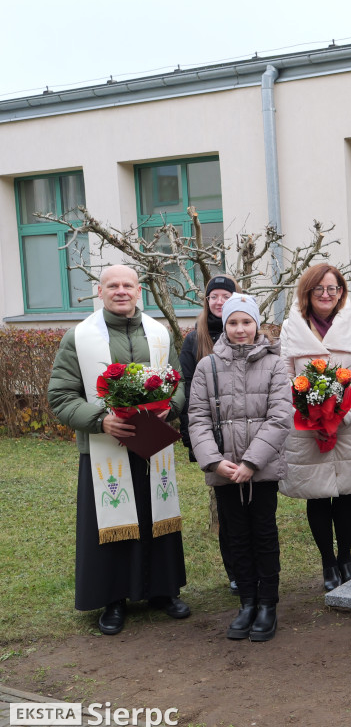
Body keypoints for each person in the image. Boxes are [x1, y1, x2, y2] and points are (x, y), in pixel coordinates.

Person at [47, 264, 189, 636]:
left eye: (128, 285)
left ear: (139, 291)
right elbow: (61, 396)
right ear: (100, 291)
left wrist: (169, 407)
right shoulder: (78, 338)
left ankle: (163, 590)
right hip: (103, 449)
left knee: (154, 515)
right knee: (112, 522)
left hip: (152, 443)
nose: (121, 291)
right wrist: (101, 420)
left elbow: (179, 383)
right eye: (113, 285)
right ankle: (114, 600)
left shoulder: (158, 334)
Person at [188, 293, 292, 641]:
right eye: (233, 322)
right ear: (224, 325)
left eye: (246, 321)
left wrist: (251, 462)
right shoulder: (207, 367)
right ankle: (247, 601)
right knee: (236, 537)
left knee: (263, 533)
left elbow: (279, 417)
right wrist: (216, 462)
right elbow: (198, 419)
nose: (240, 328)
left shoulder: (276, 364)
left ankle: (267, 604)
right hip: (225, 471)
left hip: (260, 471)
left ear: (256, 325)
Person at [279, 263, 351, 591]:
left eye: (333, 289)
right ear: (307, 292)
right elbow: (283, 375)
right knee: (317, 494)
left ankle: (347, 557)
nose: (326, 295)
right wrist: (309, 413)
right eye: (319, 289)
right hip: (307, 425)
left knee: (346, 493)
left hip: (348, 422)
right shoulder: (291, 326)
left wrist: (345, 412)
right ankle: (327, 562)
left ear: (341, 292)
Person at [179, 274, 238, 593]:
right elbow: (187, 392)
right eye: (213, 296)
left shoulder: (246, 330)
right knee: (226, 510)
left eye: (224, 296)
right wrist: (194, 441)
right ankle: (235, 572)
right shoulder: (194, 339)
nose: (218, 301)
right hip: (213, 439)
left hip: (247, 430)